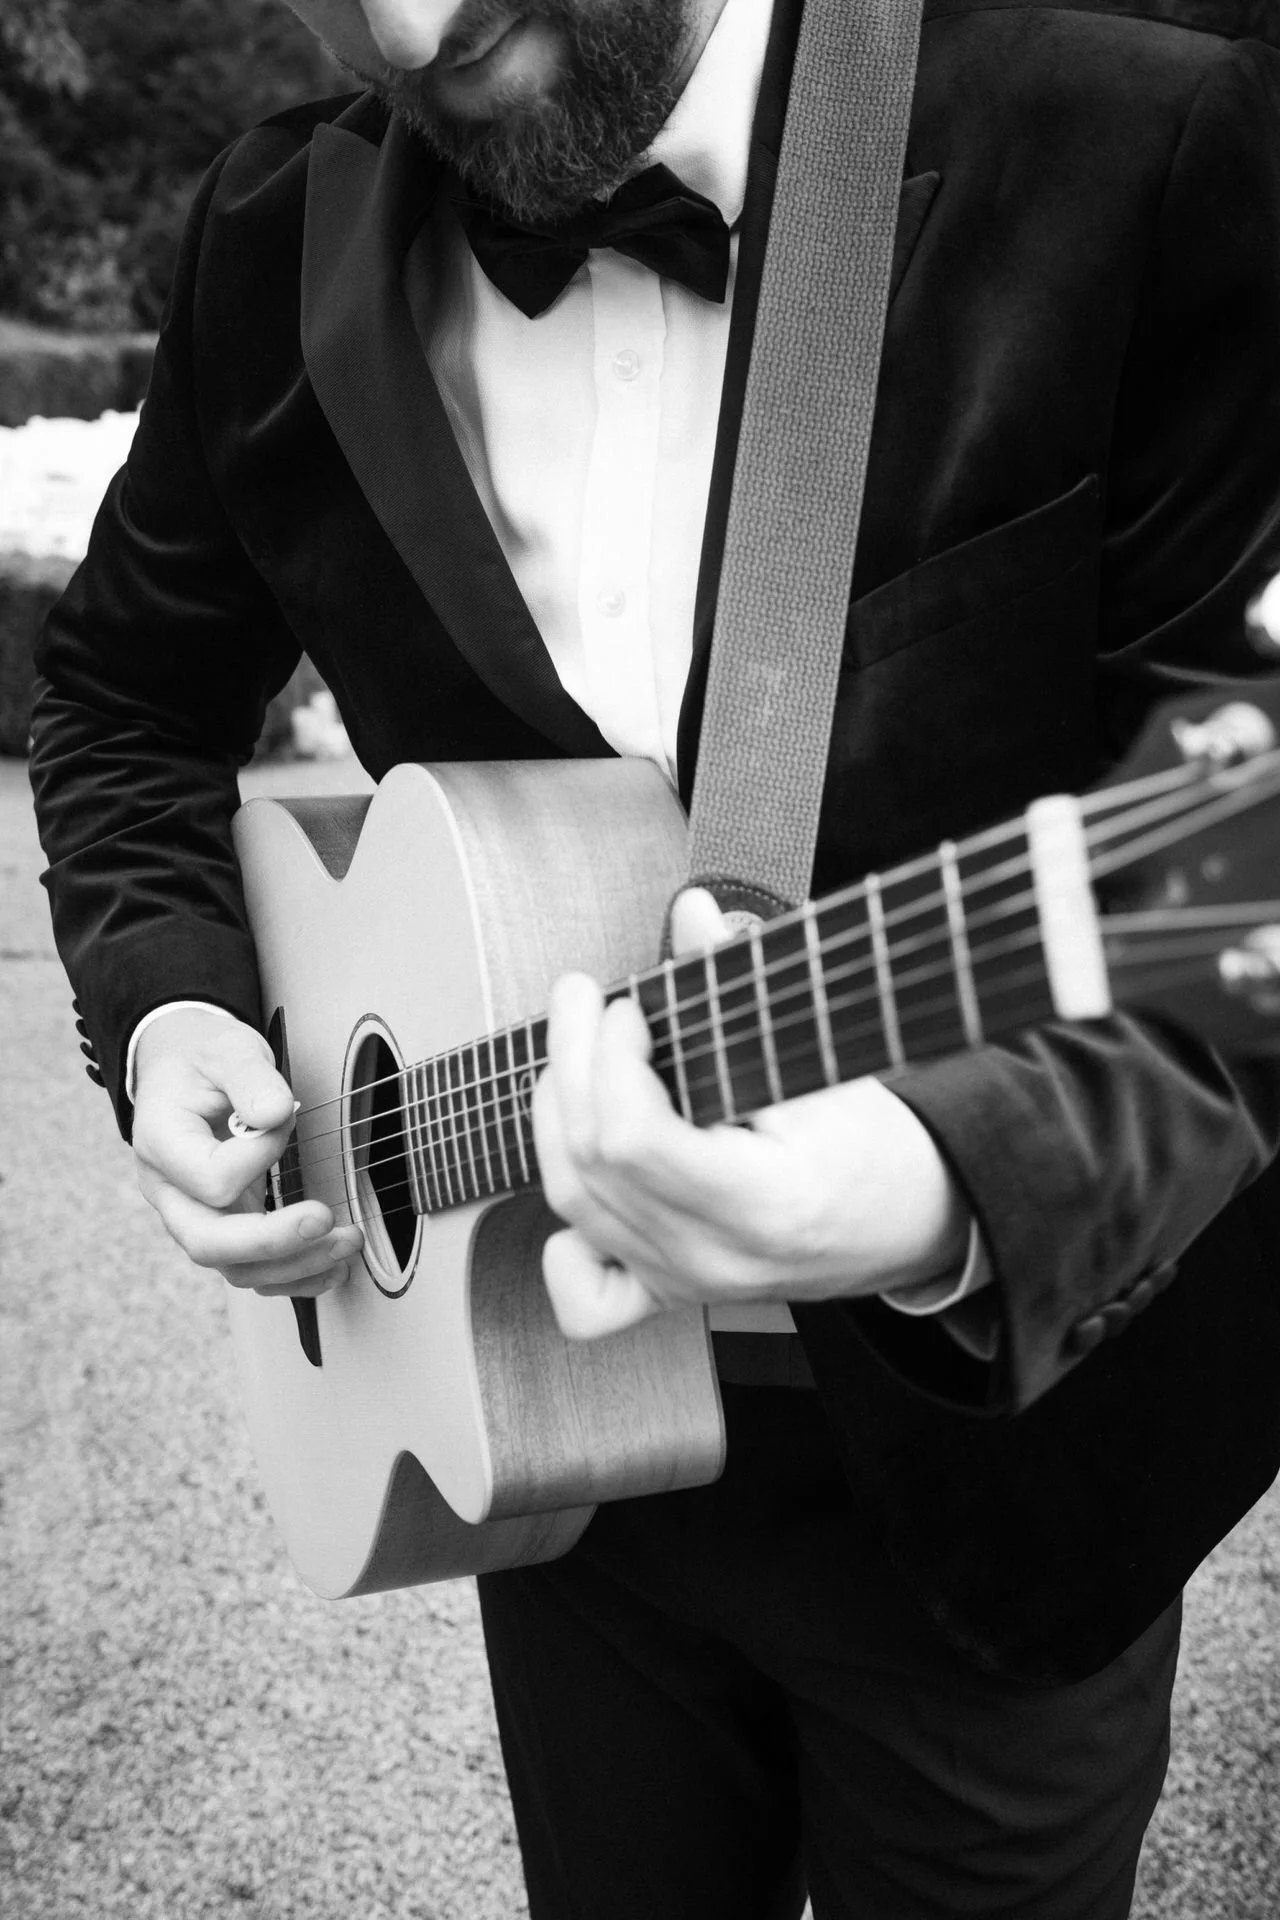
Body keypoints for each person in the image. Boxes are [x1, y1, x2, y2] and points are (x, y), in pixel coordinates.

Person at [28, 0, 1280, 1913]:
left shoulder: (1147, 142)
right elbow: (119, 690)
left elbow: (1243, 877)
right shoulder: (279, 233)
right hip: (556, 1456)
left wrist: (934, 1187)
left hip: (993, 1471)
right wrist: (176, 996)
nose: (417, 24)